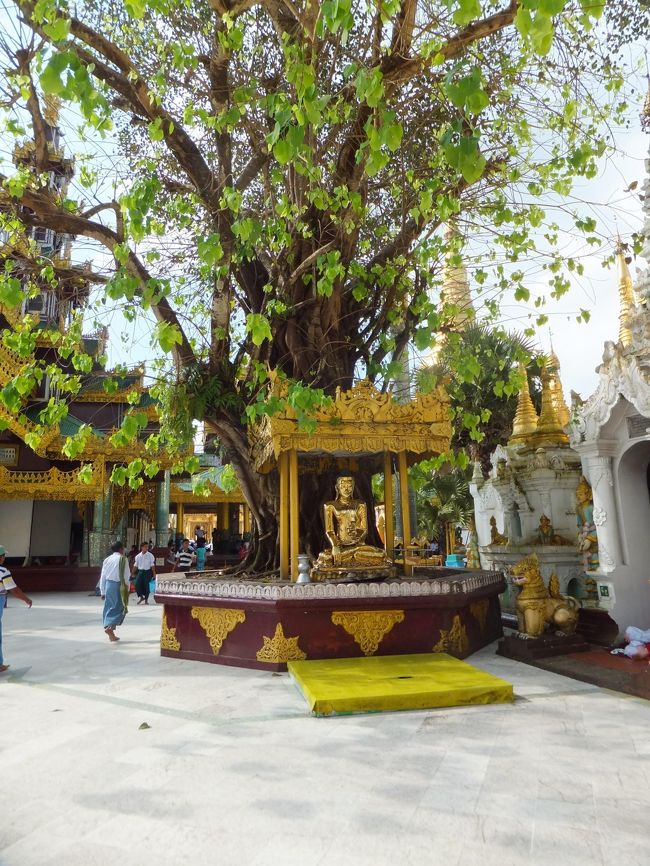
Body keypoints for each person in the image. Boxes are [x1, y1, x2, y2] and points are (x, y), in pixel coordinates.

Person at [0, 544, 32, 672]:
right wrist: (26, 599)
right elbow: (13, 589)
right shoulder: (3, 571)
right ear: (1, 557)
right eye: (3, 556)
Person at [100, 541, 130, 642]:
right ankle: (110, 628)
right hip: (119, 586)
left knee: (109, 606)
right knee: (120, 607)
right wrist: (128, 588)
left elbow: (103, 576)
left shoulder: (107, 559)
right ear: (121, 549)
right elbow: (126, 576)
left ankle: (110, 632)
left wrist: (102, 591)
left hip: (108, 585)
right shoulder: (123, 559)